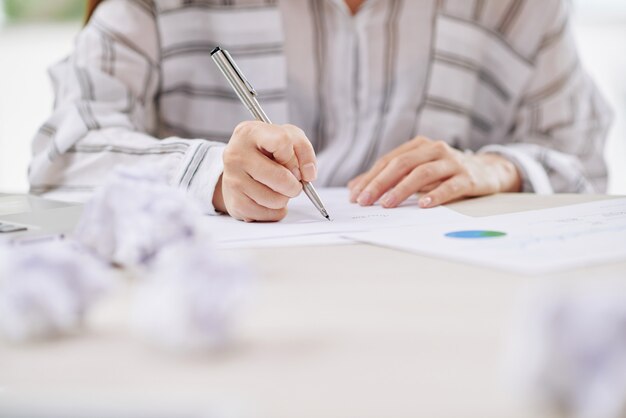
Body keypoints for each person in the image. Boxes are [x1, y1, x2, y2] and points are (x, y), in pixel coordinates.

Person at [30, 0, 611, 222]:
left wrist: (500, 169)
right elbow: (61, 153)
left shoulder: (519, 7)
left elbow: (585, 164)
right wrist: (210, 177)